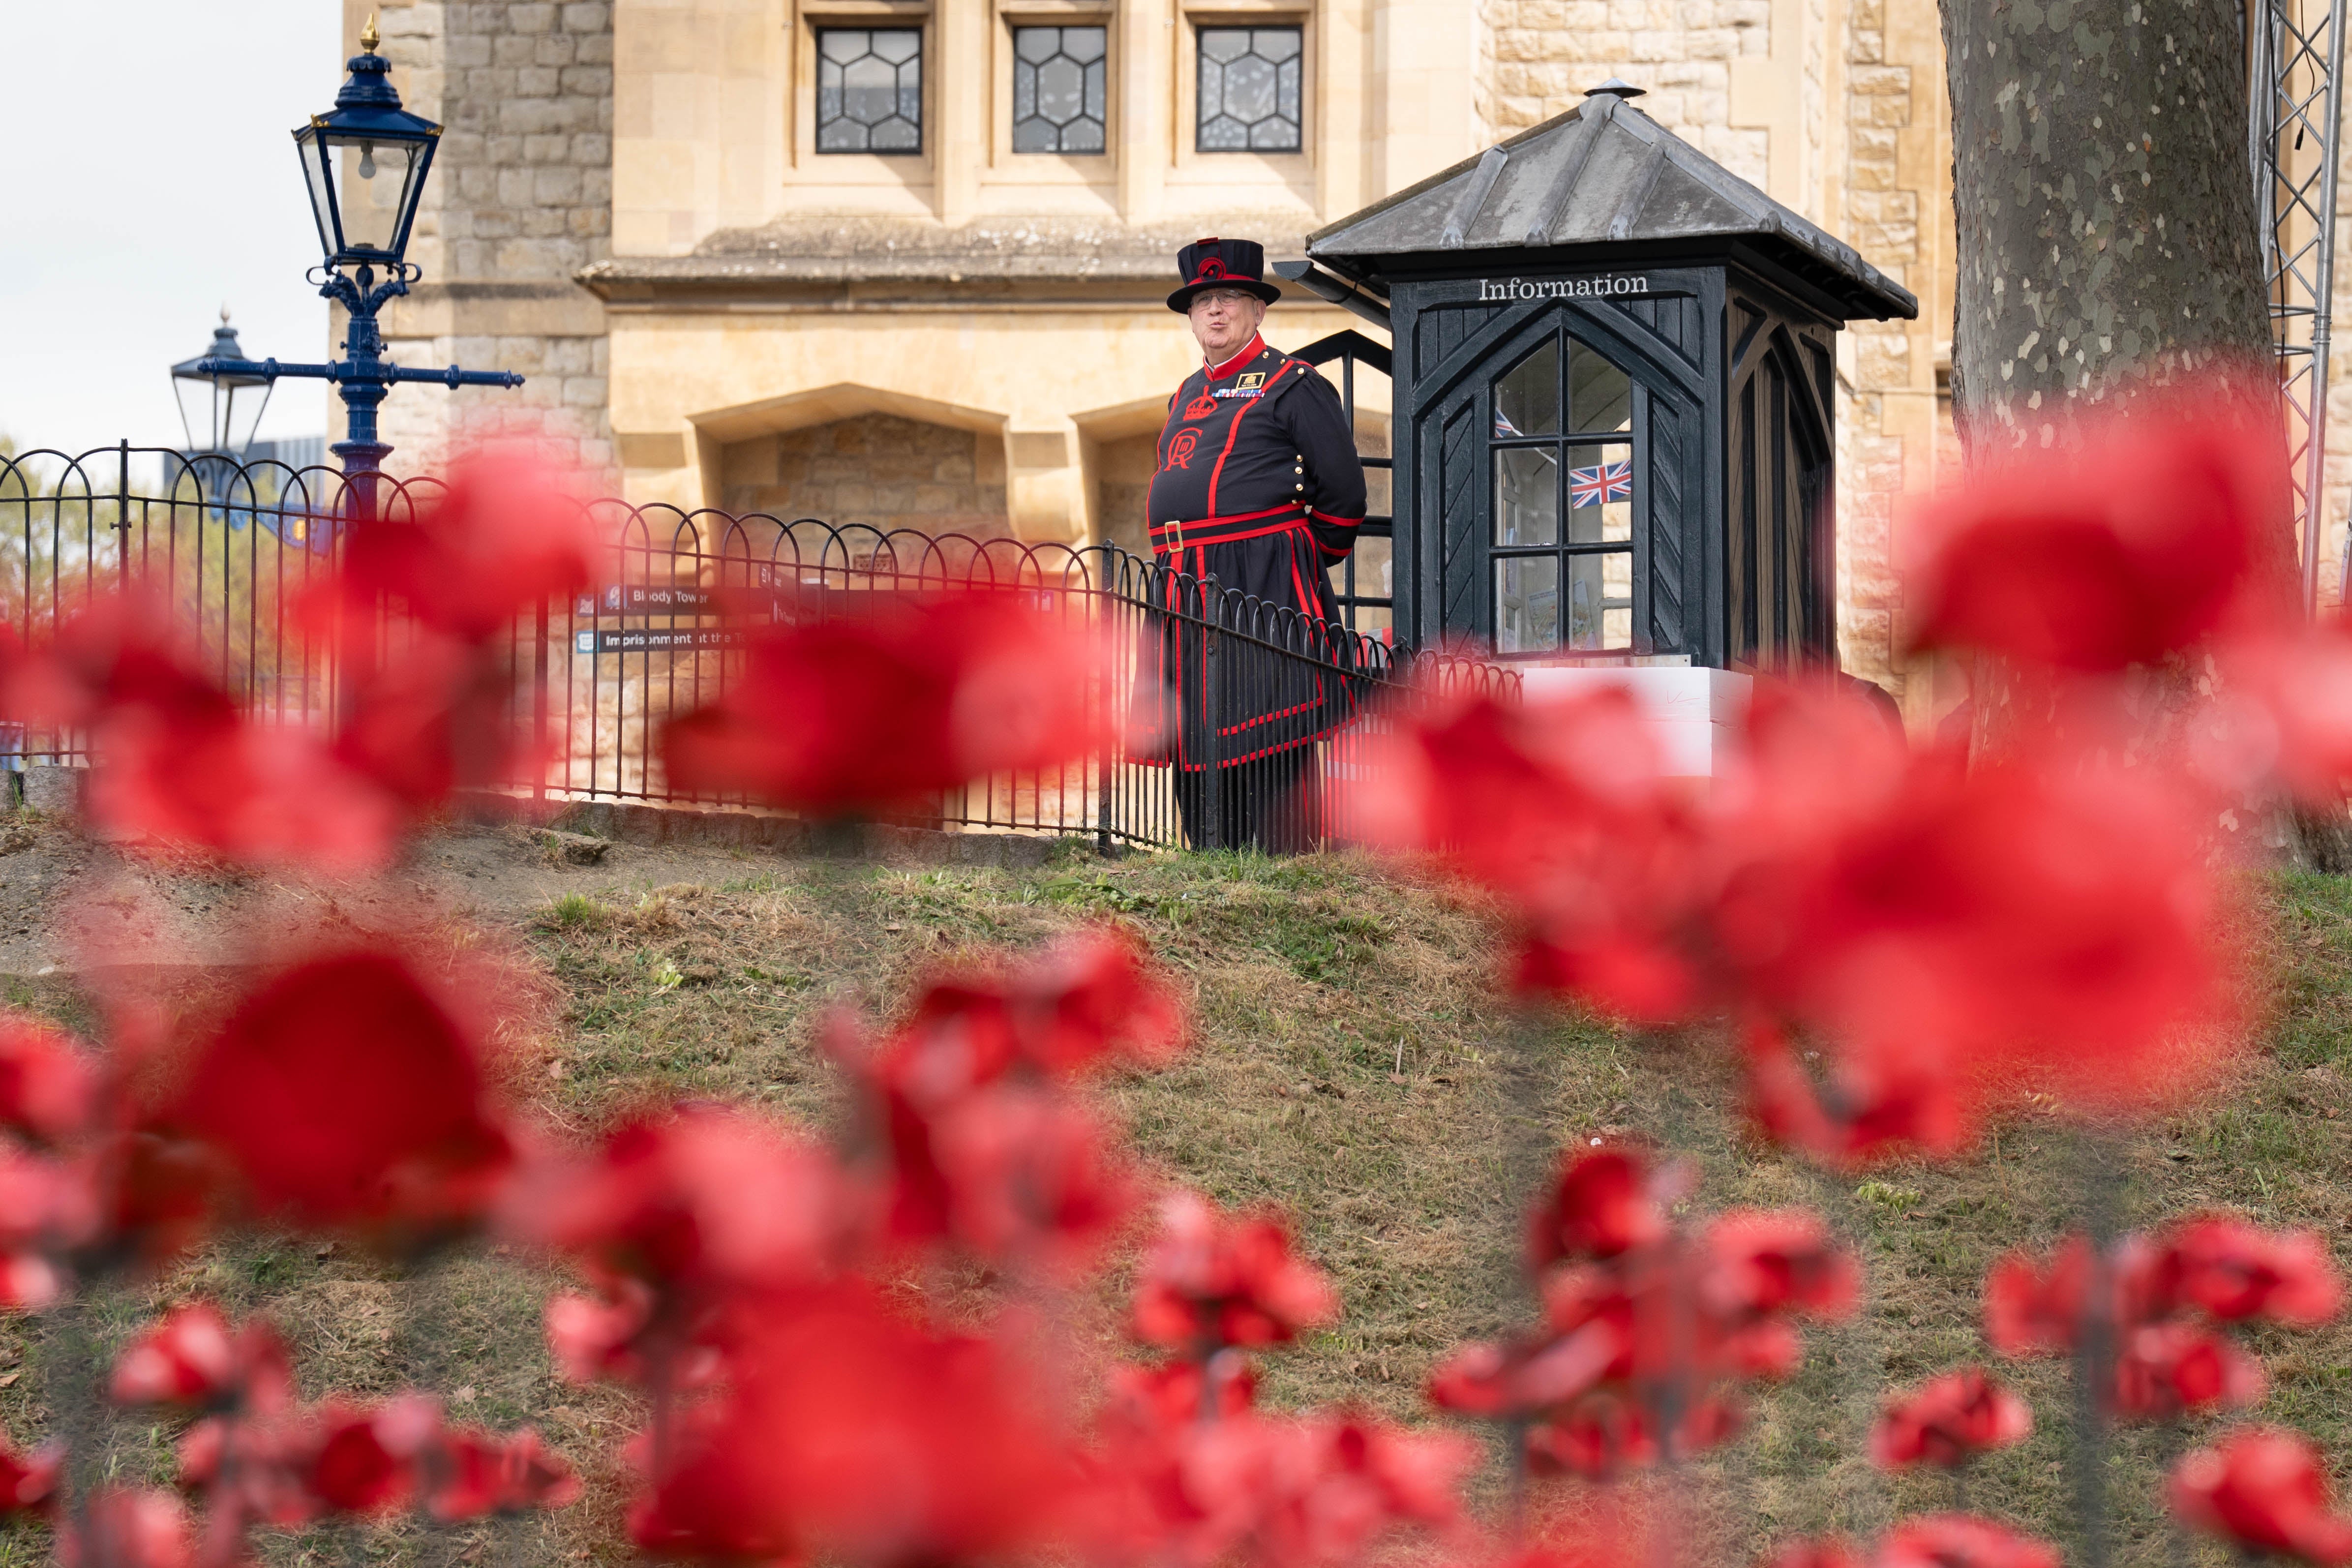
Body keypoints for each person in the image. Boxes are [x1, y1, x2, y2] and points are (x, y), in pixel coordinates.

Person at [1141, 237, 1369, 853]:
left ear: (1258, 311)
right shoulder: (1186, 391)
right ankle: (1211, 862)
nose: (1216, 311)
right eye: (1204, 301)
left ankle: (1284, 869)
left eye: (1231, 299)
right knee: (1194, 727)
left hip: (1261, 580)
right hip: (1184, 583)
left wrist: (1288, 556)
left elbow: (1343, 494)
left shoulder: (1293, 384)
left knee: (1269, 727)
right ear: (1191, 316)